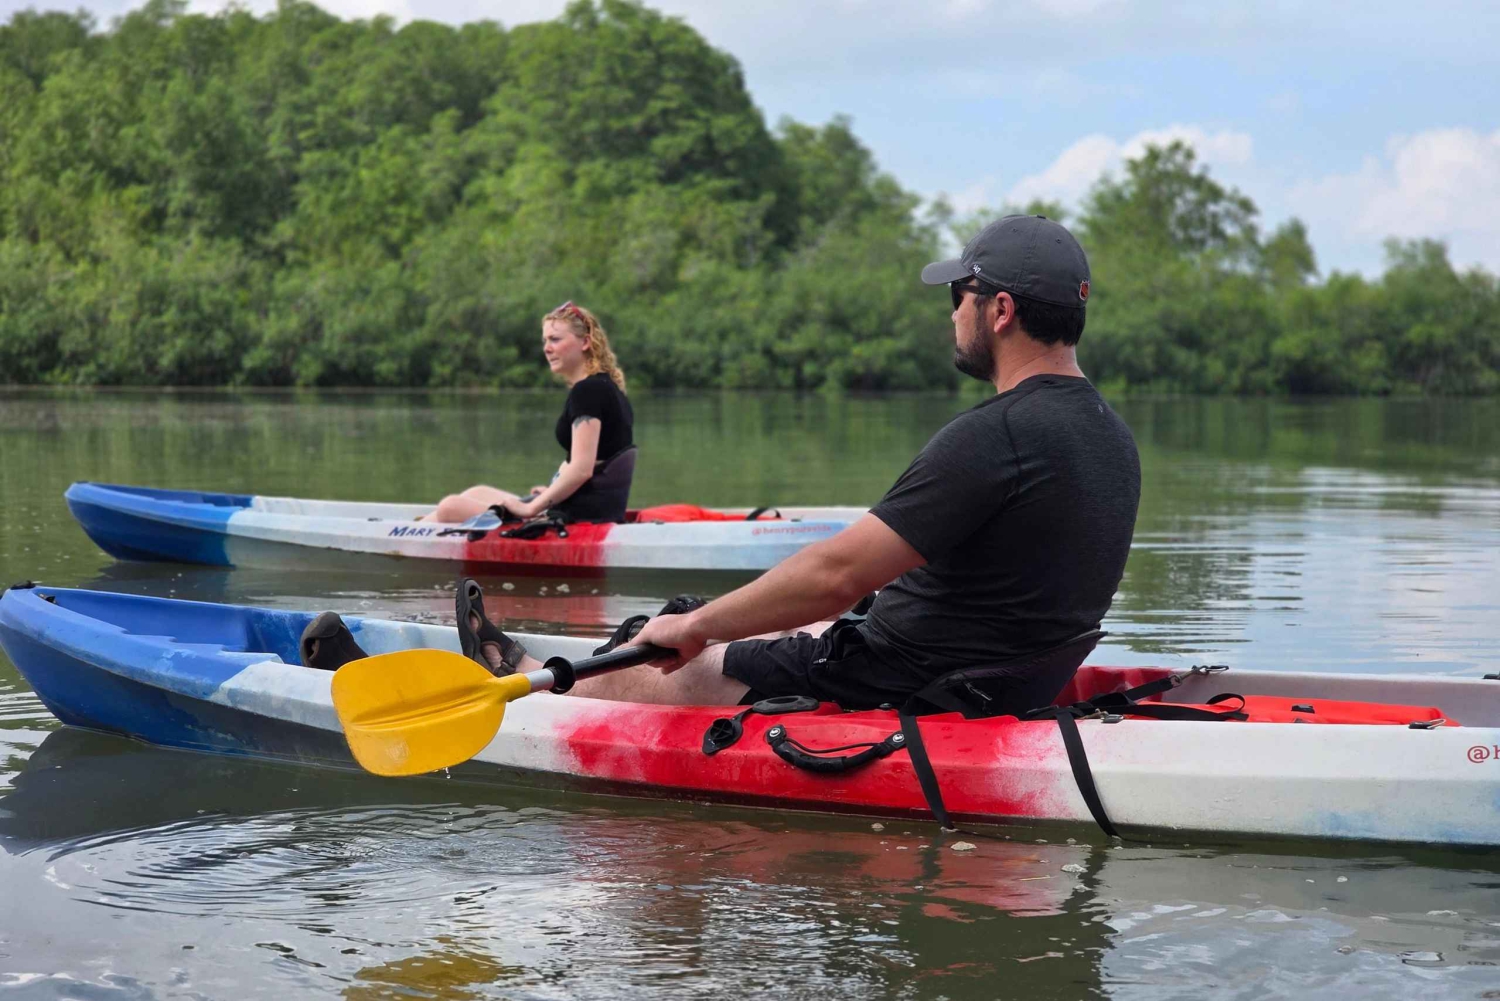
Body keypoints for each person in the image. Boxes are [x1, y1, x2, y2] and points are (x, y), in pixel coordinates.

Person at [471, 214, 1141, 711]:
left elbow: (835, 575)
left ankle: (529, 676)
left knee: (663, 650)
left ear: (1000, 310)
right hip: (981, 673)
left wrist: (697, 628)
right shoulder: (1113, 437)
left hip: (906, 682)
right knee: (753, 624)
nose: (951, 315)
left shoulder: (997, 434)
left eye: (957, 296)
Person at [428, 301, 635, 525]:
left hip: (576, 518)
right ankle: (408, 532)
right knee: (476, 493)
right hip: (580, 506)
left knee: (449, 507)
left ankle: (401, 542)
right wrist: (550, 493)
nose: (547, 348)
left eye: (555, 339)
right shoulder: (606, 387)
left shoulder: (588, 391)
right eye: (545, 340)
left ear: (585, 342)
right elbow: (593, 464)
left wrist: (530, 508)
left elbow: (581, 469)